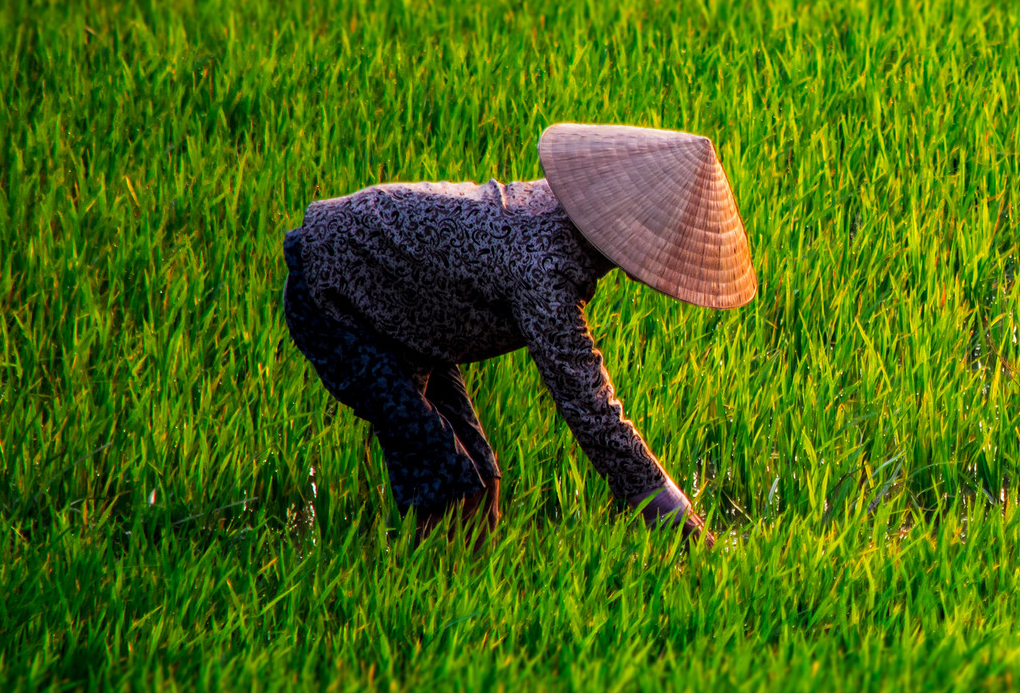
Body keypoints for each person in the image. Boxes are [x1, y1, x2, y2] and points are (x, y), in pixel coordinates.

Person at [281, 123, 756, 543]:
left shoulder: (564, 212)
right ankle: (420, 596)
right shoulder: (543, 264)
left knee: (482, 479)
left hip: (409, 304)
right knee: (447, 483)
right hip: (333, 289)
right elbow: (589, 408)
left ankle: (449, 578)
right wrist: (680, 521)